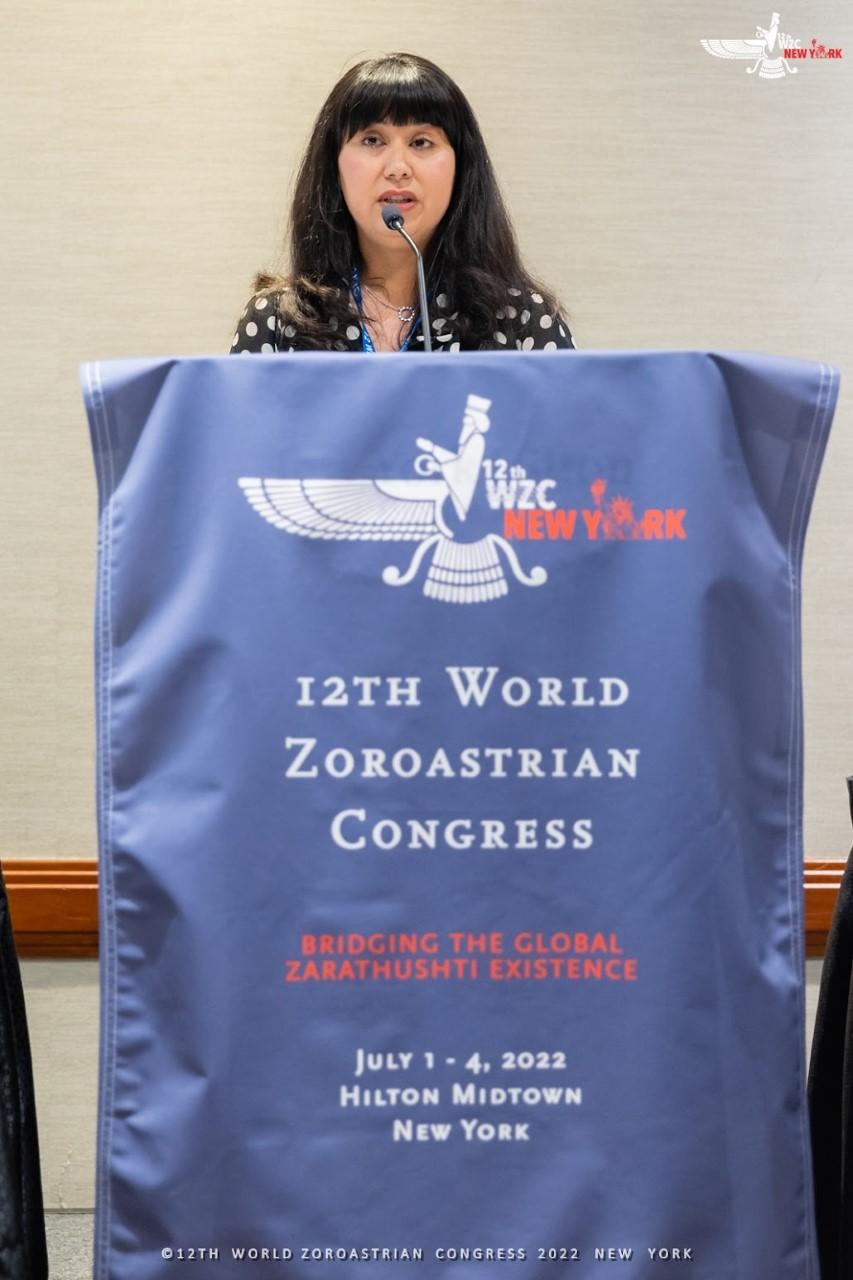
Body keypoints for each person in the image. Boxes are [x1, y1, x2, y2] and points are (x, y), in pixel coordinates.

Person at [229, 52, 575, 355]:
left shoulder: (522, 322)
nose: (397, 168)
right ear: (334, 167)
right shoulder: (278, 322)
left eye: (422, 142)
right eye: (372, 140)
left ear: (461, 167)